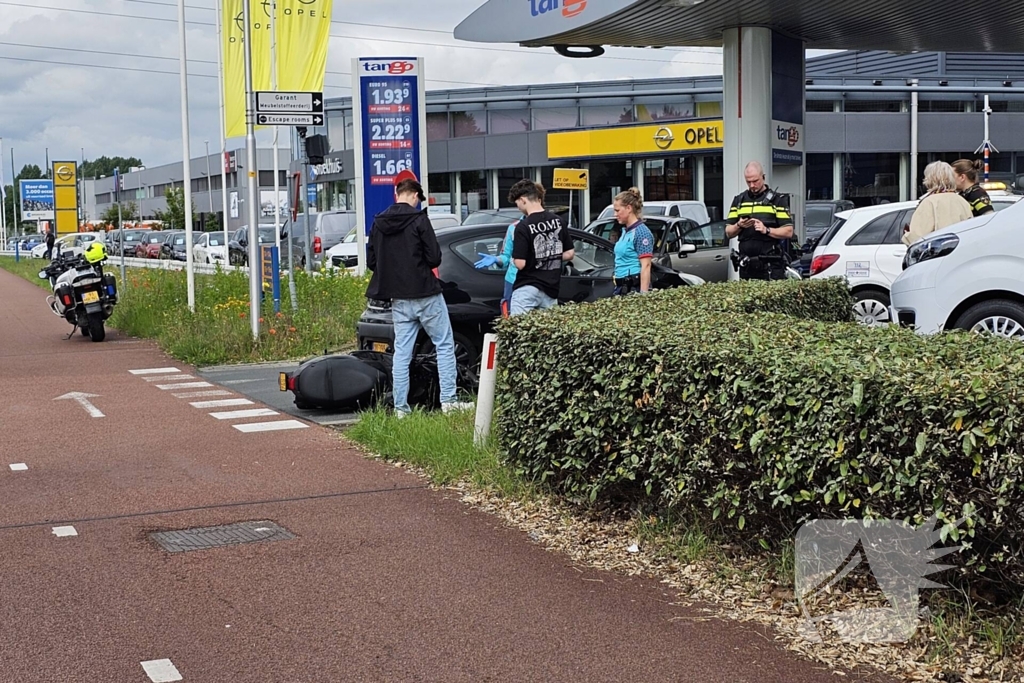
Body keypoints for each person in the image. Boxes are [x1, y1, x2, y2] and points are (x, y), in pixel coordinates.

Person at [365, 177, 472, 417]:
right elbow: (434, 257)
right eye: (418, 199)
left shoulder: (379, 222)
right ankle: (449, 402)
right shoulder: (419, 219)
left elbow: (373, 261)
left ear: (397, 194)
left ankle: (402, 409)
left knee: (402, 352)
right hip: (426, 294)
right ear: (414, 195)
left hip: (399, 298)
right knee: (444, 345)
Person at [507, 180, 574, 316]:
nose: (518, 207)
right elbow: (569, 253)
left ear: (523, 200)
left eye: (517, 203)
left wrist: (511, 260)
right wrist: (549, 255)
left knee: (519, 332)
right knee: (546, 334)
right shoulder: (559, 221)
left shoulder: (523, 226)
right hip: (551, 289)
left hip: (526, 288)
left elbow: (520, 264)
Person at [724, 161, 794, 280]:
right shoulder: (739, 201)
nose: (752, 185)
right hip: (747, 265)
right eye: (748, 182)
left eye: (755, 181)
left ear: (763, 177)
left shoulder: (777, 200)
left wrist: (766, 230)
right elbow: (728, 232)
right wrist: (739, 225)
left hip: (770, 265)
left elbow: (788, 231)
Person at [903, 161, 973, 246]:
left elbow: (917, 238)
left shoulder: (929, 202)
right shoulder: (962, 201)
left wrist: (907, 234)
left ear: (930, 178)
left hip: (937, 253)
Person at [474, 217, 522, 318]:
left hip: (540, 281)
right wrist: (496, 259)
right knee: (512, 321)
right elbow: (506, 256)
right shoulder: (514, 227)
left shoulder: (549, 224)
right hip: (513, 281)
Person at [610, 187, 655, 295]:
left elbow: (646, 266)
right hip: (621, 286)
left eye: (617, 210)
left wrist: (643, 295)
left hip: (633, 287)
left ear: (629, 208)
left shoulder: (641, 233)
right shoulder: (626, 231)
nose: (615, 215)